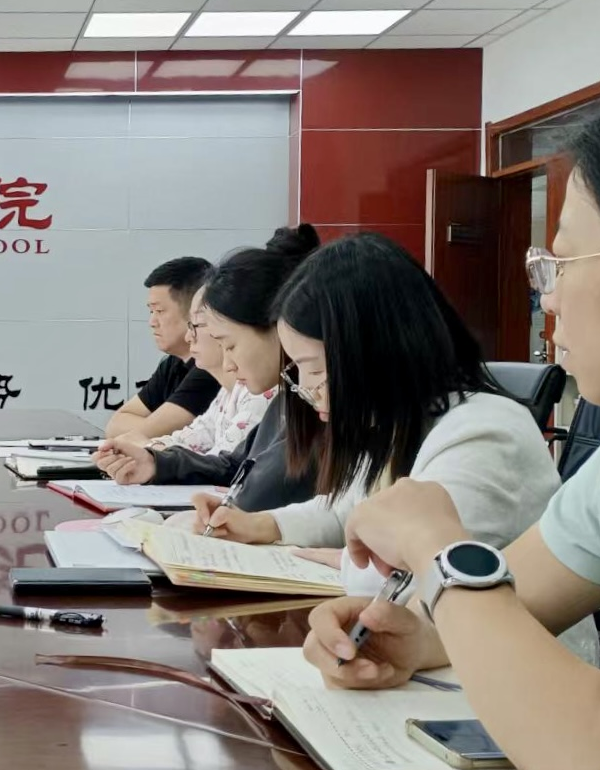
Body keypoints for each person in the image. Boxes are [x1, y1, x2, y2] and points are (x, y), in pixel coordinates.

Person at [303, 87, 600, 770]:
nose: (548, 301)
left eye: (564, 262)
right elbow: (519, 597)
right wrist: (409, 640)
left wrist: (440, 550)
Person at [187, 234, 561, 595]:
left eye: (314, 368)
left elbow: (431, 575)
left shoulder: (483, 435)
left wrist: (347, 563)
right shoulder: (396, 423)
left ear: (375, 353)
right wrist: (262, 525)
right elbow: (345, 510)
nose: (304, 388)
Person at [95, 225, 319, 513]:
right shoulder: (287, 398)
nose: (228, 364)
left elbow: (254, 494)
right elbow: (235, 466)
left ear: (276, 326)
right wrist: (155, 463)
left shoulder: (306, 398)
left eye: (229, 344)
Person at [147, 283, 273, 457]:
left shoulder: (260, 392)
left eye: (195, 325)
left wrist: (149, 455)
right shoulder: (228, 392)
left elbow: (221, 463)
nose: (188, 337)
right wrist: (146, 451)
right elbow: (194, 437)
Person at [105, 257, 221, 441]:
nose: (152, 322)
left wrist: (150, 429)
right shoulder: (172, 363)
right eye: (151, 311)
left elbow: (151, 433)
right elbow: (115, 425)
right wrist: (153, 428)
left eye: (159, 311)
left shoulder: (210, 367)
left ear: (195, 311)